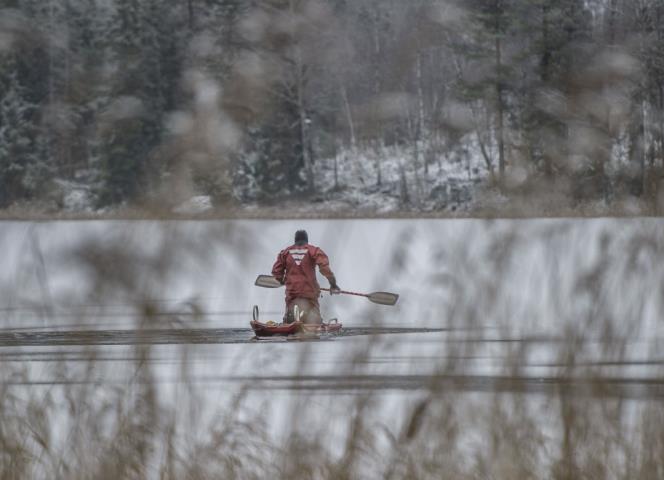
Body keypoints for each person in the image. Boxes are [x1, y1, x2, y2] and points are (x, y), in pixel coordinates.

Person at [271, 230, 340, 324]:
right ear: (306, 240)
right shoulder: (314, 251)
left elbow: (276, 272)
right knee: (315, 323)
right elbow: (325, 268)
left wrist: (281, 280)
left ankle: (289, 324)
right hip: (310, 296)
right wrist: (333, 284)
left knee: (289, 323)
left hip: (292, 297)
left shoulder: (285, 253)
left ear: (295, 240)